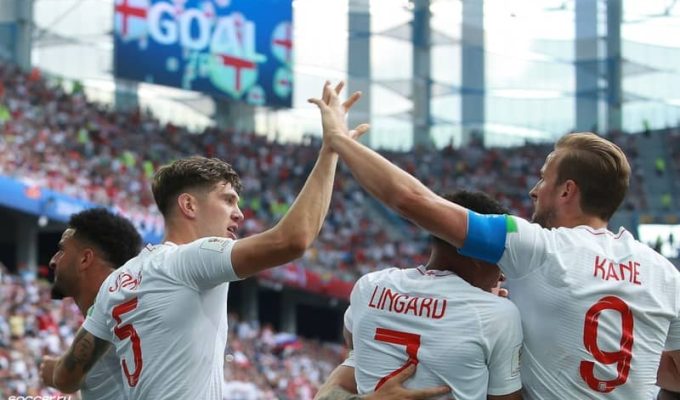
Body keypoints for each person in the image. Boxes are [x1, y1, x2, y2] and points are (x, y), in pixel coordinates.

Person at [310, 87, 680, 399]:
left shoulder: (538, 248)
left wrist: (339, 140)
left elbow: (414, 201)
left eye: (543, 179)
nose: (534, 191)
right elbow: (675, 375)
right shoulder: (665, 275)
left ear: (567, 190)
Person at [45, 81, 366, 399]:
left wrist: (47, 366)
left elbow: (67, 375)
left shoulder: (118, 282)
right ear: (189, 205)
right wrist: (330, 149)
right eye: (227, 200)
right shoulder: (190, 259)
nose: (238, 214)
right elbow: (293, 240)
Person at [317, 191, 523, 400]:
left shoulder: (369, 286)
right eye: (501, 259)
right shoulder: (497, 315)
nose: (503, 273)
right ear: (479, 255)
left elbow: (353, 342)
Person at [40, 208, 142, 400]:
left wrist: (55, 372)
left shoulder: (120, 305)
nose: (53, 261)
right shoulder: (123, 308)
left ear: (85, 259)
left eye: (62, 250)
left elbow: (64, 379)